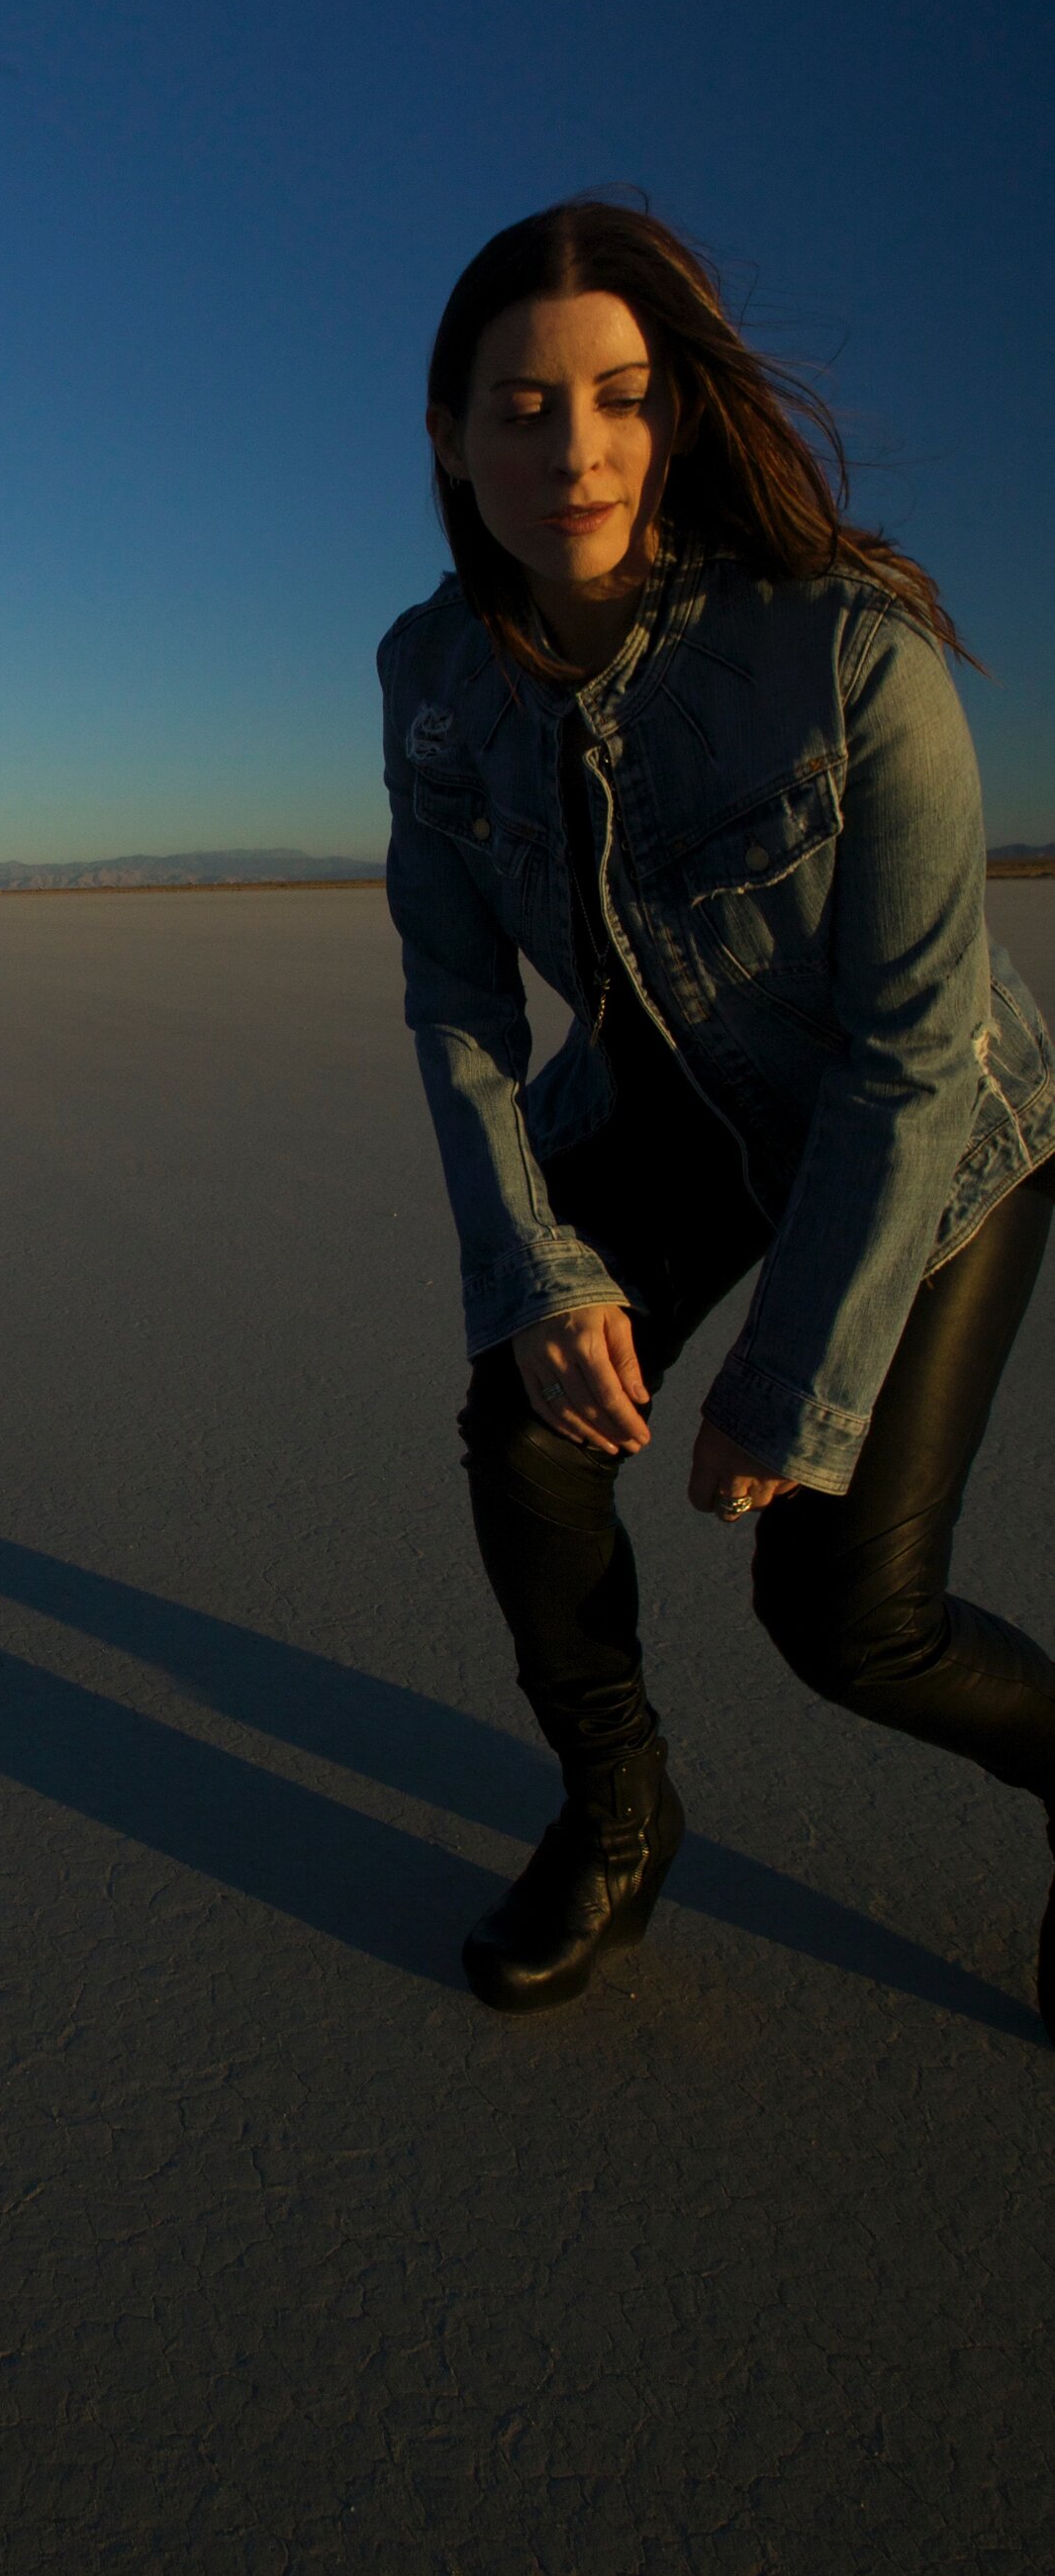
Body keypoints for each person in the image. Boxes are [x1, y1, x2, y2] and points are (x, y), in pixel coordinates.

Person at [380, 199, 1055, 2026]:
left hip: (937, 1128)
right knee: (523, 1427)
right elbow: (456, 1006)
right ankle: (619, 1807)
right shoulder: (432, 680)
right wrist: (533, 1270)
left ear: (679, 408)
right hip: (674, 1095)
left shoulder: (846, 654)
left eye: (617, 395)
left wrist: (794, 1380)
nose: (574, 450)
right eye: (520, 407)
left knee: (849, 1613)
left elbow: (913, 1056)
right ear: (449, 436)